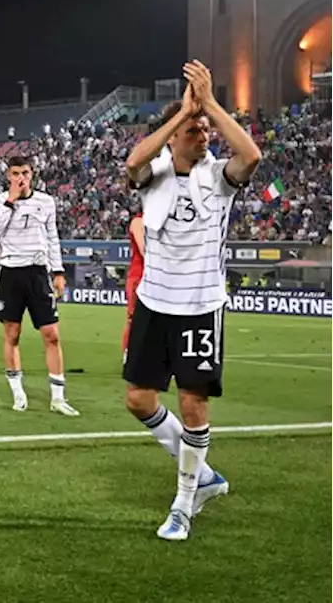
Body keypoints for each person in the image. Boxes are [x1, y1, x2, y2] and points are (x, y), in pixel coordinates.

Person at [122, 60, 258, 541]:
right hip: (155, 303)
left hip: (200, 305)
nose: (204, 136)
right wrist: (182, 113)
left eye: (206, 130)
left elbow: (252, 155)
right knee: (138, 399)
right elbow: (133, 162)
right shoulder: (153, 177)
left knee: (193, 402)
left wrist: (212, 106)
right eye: (195, 131)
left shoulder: (220, 177)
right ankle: (202, 473)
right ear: (176, 136)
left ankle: (184, 501)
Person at [0, 154, 79, 416]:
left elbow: (52, 237)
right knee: (12, 334)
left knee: (51, 334)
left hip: (38, 273)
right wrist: (10, 200)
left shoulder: (46, 202)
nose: (21, 178)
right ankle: (18, 392)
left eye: (25, 173)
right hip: (11, 271)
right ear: (8, 176)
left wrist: (58, 271)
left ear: (32, 174)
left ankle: (58, 397)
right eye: (15, 174)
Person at [122, 212, 145, 351]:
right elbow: (144, 250)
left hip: (156, 276)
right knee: (134, 319)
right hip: (139, 276)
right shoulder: (138, 221)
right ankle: (129, 354)